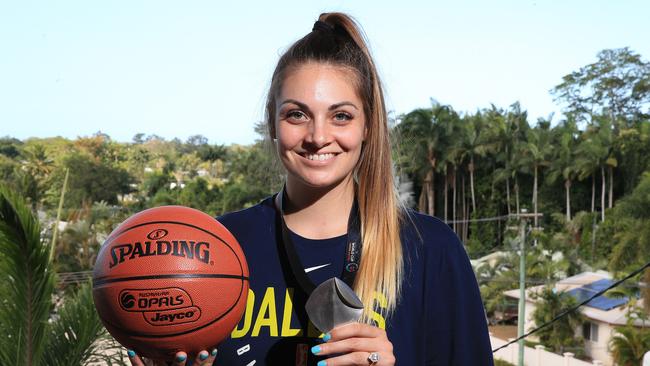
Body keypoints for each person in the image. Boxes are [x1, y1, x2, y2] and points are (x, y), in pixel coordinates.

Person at [128, 12, 493, 366]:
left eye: (341, 116)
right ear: (272, 119)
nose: (318, 137)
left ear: (368, 125)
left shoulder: (429, 249)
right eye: (297, 114)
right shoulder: (217, 246)